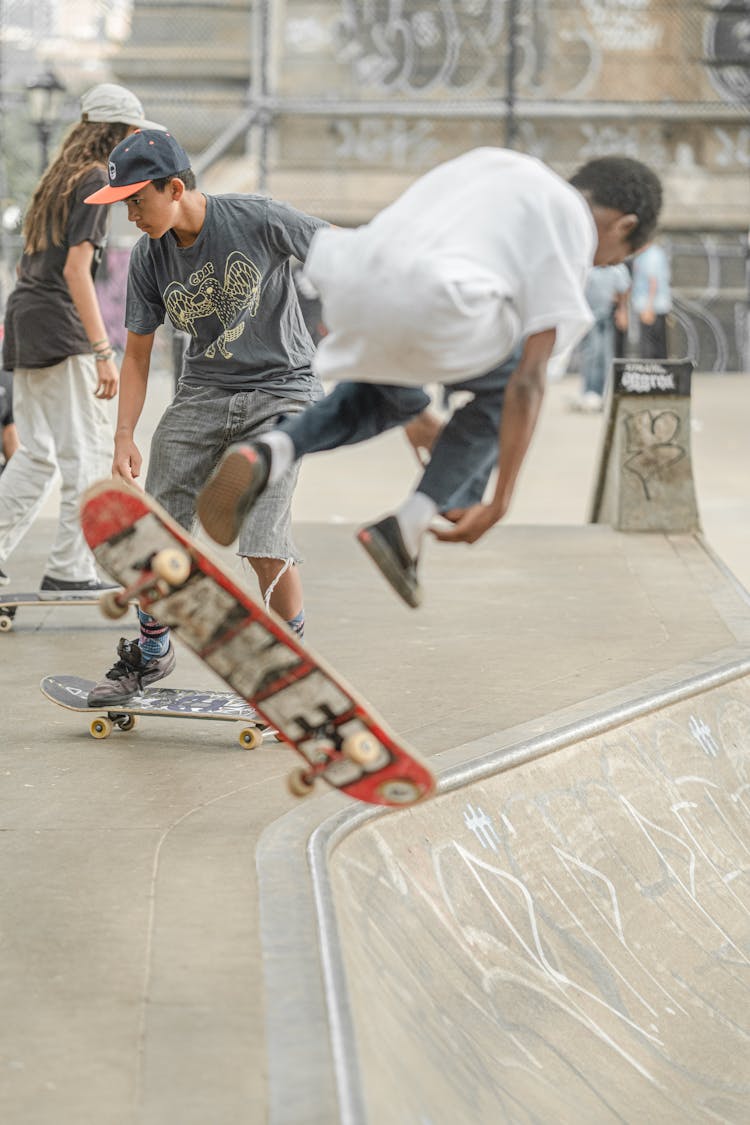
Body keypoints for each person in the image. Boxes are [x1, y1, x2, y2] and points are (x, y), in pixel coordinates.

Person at [196, 148, 663, 609]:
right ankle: (411, 523)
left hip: (347, 279)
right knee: (512, 382)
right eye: (616, 257)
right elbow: (529, 383)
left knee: (380, 392)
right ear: (624, 224)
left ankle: (269, 451)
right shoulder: (572, 224)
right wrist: (499, 501)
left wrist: (413, 404)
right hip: (435, 301)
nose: (604, 266)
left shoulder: (497, 165)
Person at [82, 128, 328, 706]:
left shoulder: (259, 218)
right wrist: (124, 436)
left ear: (173, 187)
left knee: (263, 533)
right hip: (203, 394)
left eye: (136, 202)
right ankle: (151, 649)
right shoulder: (149, 257)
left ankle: (289, 666)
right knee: (154, 530)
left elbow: (341, 250)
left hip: (283, 391)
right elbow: (136, 354)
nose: (131, 217)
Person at [0, 83, 165, 590]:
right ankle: (69, 570)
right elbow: (77, 269)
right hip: (57, 325)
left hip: (26, 319)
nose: (137, 144)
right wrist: (102, 352)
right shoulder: (95, 178)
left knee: (37, 453)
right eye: (133, 134)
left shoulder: (59, 176)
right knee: (88, 453)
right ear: (115, 133)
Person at [569, 264, 631, 413]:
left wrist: (622, 311)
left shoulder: (618, 268)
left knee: (605, 355)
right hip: (590, 317)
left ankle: (602, 394)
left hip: (607, 317)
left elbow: (624, 290)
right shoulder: (590, 268)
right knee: (591, 354)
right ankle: (589, 392)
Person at [630, 240, 672, 358]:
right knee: (659, 347)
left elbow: (653, 282)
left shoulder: (650, 256)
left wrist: (649, 308)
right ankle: (661, 374)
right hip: (656, 306)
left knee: (649, 349)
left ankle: (652, 374)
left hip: (651, 307)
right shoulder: (656, 253)